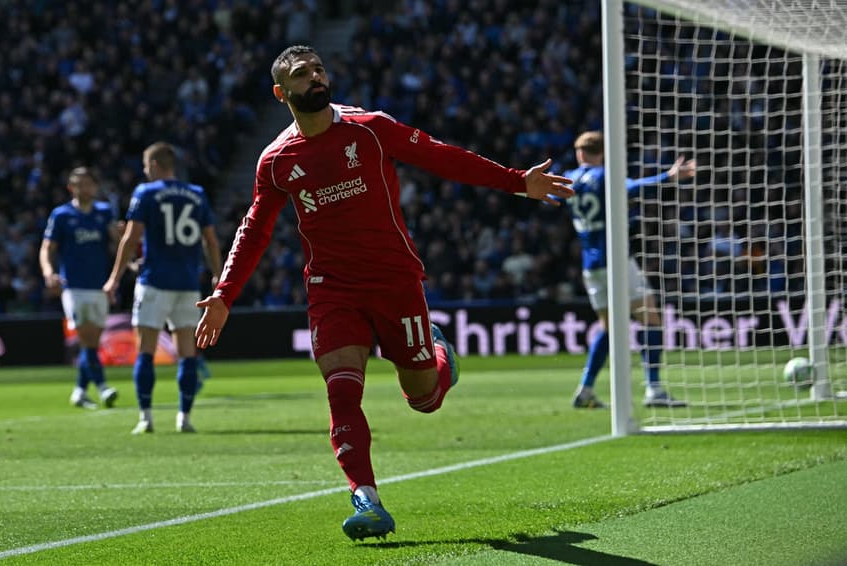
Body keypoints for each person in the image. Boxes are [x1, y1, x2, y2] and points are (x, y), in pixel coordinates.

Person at [193, 45, 574, 541]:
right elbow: (254, 228)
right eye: (302, 75)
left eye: (319, 70)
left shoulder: (370, 129)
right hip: (332, 287)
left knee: (424, 399)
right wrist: (224, 293)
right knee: (342, 389)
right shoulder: (276, 160)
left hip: (395, 281)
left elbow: (442, 157)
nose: (315, 79)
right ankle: (366, 499)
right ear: (281, 92)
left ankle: (439, 359)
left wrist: (518, 182)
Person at [562, 131, 695, 409]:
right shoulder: (604, 177)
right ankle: (654, 388)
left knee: (609, 328)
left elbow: (549, 194)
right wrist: (669, 177)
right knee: (651, 319)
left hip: (591, 266)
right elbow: (633, 188)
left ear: (579, 153)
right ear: (603, 152)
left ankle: (585, 388)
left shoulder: (570, 178)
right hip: (617, 260)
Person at [104, 142, 222, 435]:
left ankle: (146, 417)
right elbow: (211, 240)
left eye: (146, 167)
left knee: (145, 351)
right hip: (187, 282)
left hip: (154, 281)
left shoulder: (146, 193)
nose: (146, 173)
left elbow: (131, 238)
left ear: (154, 165)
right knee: (187, 353)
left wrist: (114, 278)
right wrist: (218, 274)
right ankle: (184, 417)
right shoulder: (196, 194)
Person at [40, 167, 121, 409]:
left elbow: (117, 243)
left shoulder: (104, 213)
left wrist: (125, 246)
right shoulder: (62, 215)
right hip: (74, 287)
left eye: (88, 183)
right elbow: (47, 248)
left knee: (92, 343)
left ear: (95, 186)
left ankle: (79, 391)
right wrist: (48, 272)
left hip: (100, 286)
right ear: (70, 188)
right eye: (79, 184)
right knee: (87, 339)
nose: (84, 188)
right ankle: (103, 387)